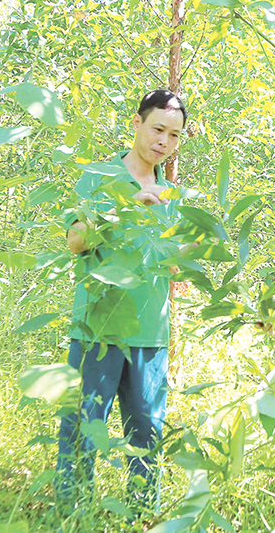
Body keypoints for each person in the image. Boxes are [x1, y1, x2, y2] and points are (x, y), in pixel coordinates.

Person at [55, 90, 187, 513]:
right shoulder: (100, 176)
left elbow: (166, 261)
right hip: (98, 330)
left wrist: (177, 264)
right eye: (157, 129)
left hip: (151, 334)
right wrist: (124, 205)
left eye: (174, 135)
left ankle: (142, 516)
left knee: (147, 436)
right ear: (136, 123)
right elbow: (76, 241)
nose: (164, 142)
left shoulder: (170, 195)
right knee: (81, 433)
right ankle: (71, 517)